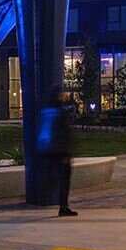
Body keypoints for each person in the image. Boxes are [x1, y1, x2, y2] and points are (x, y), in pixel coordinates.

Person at [37, 89, 77, 217]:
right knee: (63, 180)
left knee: (52, 177)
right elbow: (64, 133)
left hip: (47, 150)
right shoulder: (61, 113)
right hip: (60, 151)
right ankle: (63, 207)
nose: (65, 95)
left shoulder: (46, 112)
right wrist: (67, 153)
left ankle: (48, 198)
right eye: (62, 94)